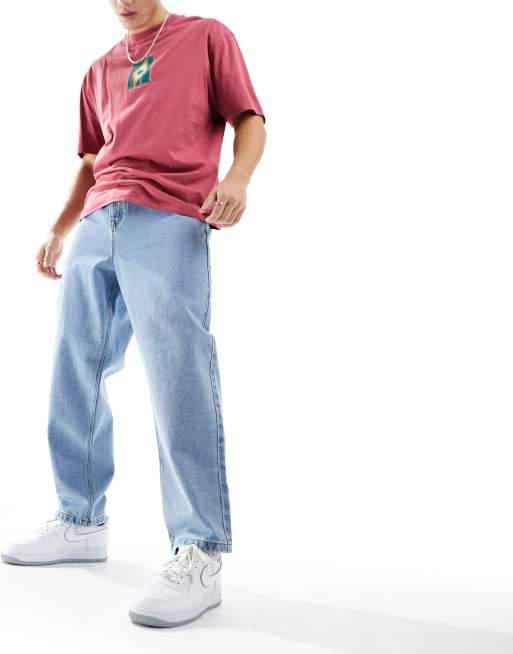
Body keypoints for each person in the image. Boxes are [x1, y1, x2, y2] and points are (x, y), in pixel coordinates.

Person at [1, 0, 266, 629]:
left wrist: (238, 180)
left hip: (169, 218)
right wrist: (60, 228)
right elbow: (91, 161)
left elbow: (249, 119)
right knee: (76, 370)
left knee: (179, 376)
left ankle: (199, 550)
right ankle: (80, 519)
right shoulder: (98, 70)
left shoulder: (206, 37)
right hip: (99, 219)